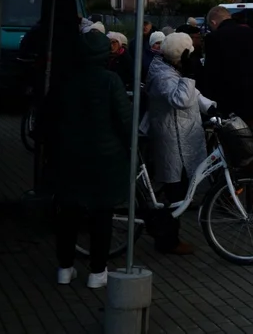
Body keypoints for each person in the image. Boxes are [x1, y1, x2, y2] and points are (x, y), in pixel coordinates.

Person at [48, 29, 136, 289]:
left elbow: (48, 119)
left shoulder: (63, 80)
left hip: (70, 156)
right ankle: (98, 272)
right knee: (101, 215)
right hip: (105, 158)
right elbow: (124, 120)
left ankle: (64, 268)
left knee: (68, 213)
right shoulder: (111, 81)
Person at [145, 33, 218, 256]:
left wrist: (211, 107)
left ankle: (168, 234)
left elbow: (193, 93)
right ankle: (168, 240)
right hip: (172, 139)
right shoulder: (162, 74)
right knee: (175, 192)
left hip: (184, 135)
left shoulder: (170, 68)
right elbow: (181, 99)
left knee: (182, 188)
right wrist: (188, 75)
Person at [201, 6, 253, 130]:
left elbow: (211, 74)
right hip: (252, 101)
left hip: (226, 104)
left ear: (213, 22)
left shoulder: (214, 38)